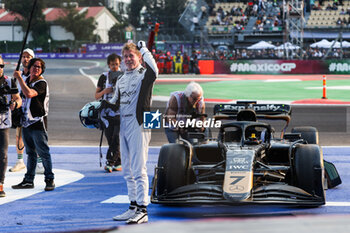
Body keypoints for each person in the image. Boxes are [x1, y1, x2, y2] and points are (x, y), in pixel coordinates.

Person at [108, 41, 158, 224]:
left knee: (139, 168)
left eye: (132, 56)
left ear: (138, 57)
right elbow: (114, 102)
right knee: (127, 170)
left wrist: (144, 49)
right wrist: (100, 109)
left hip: (142, 122)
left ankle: (143, 210)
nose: (128, 59)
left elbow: (155, 69)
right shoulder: (120, 79)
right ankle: (133, 207)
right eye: (126, 56)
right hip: (124, 123)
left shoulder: (145, 74)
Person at [12, 58, 55, 191]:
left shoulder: (41, 83)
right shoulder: (27, 81)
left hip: (37, 123)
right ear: (29, 68)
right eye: (34, 66)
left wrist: (19, 79)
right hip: (26, 123)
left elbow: (29, 94)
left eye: (39, 67)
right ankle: (28, 180)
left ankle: (49, 179)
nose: (36, 68)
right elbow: (20, 96)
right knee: (30, 153)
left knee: (43, 152)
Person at [9, 48, 44, 174]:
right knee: (19, 136)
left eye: (28, 57)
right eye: (23, 56)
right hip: (21, 110)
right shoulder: (19, 75)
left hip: (34, 113)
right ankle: (20, 161)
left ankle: (40, 163)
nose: (25, 59)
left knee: (36, 138)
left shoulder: (35, 76)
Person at [95, 53, 123, 173]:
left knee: (116, 138)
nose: (115, 67)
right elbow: (96, 96)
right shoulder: (103, 77)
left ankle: (109, 162)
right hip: (106, 113)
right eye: (112, 65)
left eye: (116, 64)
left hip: (121, 112)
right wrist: (105, 91)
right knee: (110, 138)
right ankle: (118, 162)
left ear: (120, 64)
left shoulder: (125, 76)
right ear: (108, 65)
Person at [0, 56, 22, 197]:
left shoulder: (9, 81)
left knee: (2, 155)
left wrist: (16, 104)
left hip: (3, 124)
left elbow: (18, 98)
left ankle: (0, 184)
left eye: (1, 66)